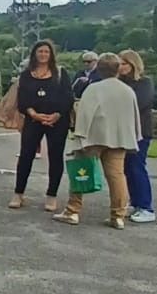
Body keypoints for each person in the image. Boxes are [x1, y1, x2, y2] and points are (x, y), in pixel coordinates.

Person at [54, 52, 140, 229]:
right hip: (119, 137)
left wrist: (79, 136)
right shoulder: (127, 90)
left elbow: (84, 114)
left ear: (99, 69)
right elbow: (134, 116)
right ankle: (118, 216)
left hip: (94, 136)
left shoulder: (93, 89)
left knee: (81, 170)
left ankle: (73, 211)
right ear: (117, 69)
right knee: (117, 176)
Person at [8, 39, 73, 213]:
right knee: (26, 156)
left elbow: (68, 97)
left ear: (51, 54)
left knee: (55, 157)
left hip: (57, 121)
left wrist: (56, 115)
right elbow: (22, 99)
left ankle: (51, 196)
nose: (43, 54)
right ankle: (18, 193)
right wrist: (33, 114)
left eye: (46, 52)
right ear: (34, 54)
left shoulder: (61, 73)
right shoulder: (26, 75)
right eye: (40, 51)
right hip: (33, 120)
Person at [118, 49, 156, 224]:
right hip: (124, 132)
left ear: (133, 64)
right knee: (127, 169)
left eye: (124, 63)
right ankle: (135, 203)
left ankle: (146, 207)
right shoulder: (119, 83)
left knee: (137, 167)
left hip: (140, 132)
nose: (121, 67)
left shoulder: (144, 83)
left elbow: (139, 103)